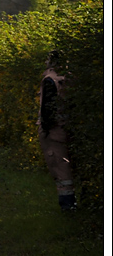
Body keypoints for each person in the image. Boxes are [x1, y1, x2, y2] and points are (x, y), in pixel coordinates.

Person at [38, 51, 76, 211]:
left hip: (53, 130)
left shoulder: (50, 80)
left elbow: (47, 108)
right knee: (68, 166)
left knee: (59, 167)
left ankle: (67, 205)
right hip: (68, 127)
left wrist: (45, 129)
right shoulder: (70, 79)